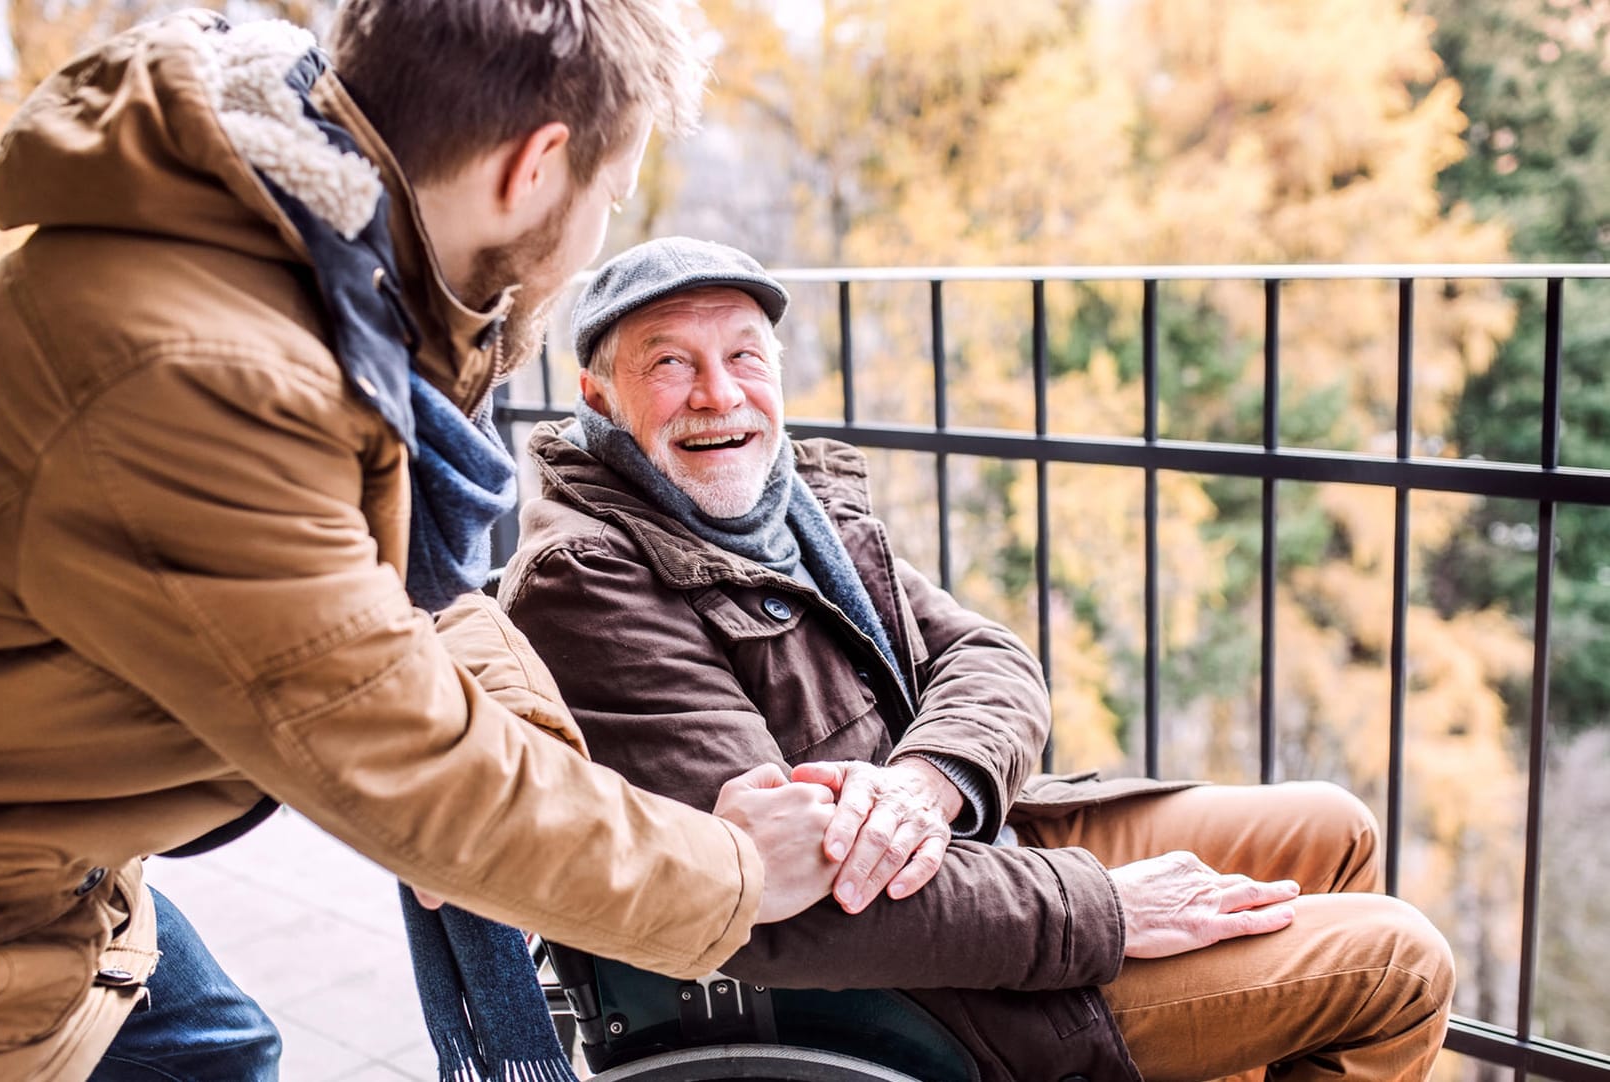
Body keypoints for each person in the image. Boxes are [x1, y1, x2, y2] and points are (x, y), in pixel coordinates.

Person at [0, 8, 840, 1081]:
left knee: (218, 1049)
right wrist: (739, 870)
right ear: (537, 167)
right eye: (608, 200)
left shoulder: (313, 261)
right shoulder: (201, 375)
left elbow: (416, 602)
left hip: (65, 848)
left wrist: (521, 756)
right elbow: (409, 764)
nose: (588, 250)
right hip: (9, 894)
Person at [499, 235, 1458, 1082]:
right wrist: (1103, 909)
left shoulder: (788, 506)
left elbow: (988, 658)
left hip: (970, 853)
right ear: (599, 395)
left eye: (743, 356)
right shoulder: (587, 578)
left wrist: (924, 784)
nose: (719, 394)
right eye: (670, 363)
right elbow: (770, 910)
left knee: (1332, 828)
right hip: (920, 980)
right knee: (1397, 964)